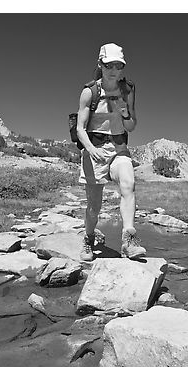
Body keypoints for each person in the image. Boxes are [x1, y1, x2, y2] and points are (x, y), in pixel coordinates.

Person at [75, 42, 146, 261]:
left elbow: (132, 125)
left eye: (118, 65)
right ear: (100, 64)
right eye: (109, 65)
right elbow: (79, 128)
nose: (114, 70)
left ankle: (129, 241)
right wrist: (90, 148)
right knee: (94, 206)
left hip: (119, 147)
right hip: (95, 149)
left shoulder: (127, 90)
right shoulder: (89, 92)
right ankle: (88, 239)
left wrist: (125, 114)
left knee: (128, 184)